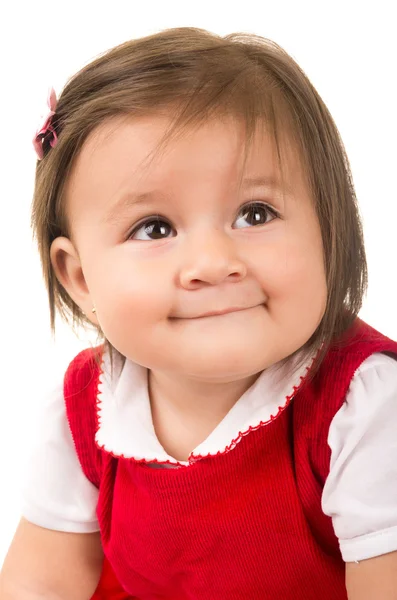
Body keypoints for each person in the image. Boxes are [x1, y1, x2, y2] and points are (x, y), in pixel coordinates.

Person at [0, 26, 396, 600]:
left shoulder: (362, 405)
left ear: (328, 230)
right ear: (81, 277)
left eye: (255, 214)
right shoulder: (86, 408)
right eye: (154, 228)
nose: (212, 263)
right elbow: (43, 578)